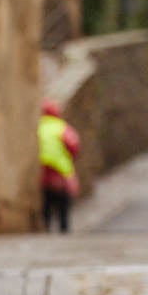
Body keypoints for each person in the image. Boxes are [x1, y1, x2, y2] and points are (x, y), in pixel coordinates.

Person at [39, 99, 81, 233]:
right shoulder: (61, 127)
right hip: (60, 169)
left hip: (42, 169)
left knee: (47, 200)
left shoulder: (39, 127)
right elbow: (73, 146)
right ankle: (64, 227)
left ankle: (46, 226)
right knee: (63, 200)